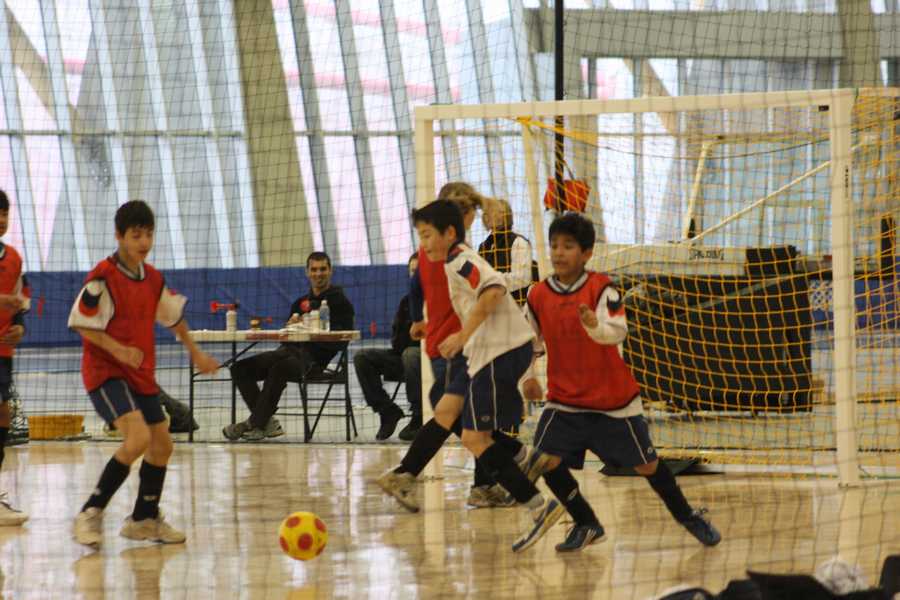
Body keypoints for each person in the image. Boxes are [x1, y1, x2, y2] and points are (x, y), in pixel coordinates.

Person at [518, 212, 721, 552]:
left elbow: (616, 333)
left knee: (648, 466)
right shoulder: (537, 295)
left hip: (612, 403)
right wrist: (527, 377)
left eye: (568, 246)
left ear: (587, 253)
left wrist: (592, 325)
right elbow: (528, 342)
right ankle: (586, 523)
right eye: (554, 245)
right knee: (545, 460)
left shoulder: (602, 288)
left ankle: (688, 517)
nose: (559, 252)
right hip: (564, 401)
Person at [376, 200, 555, 526]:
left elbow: (494, 290)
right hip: (483, 352)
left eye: (427, 235)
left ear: (449, 232)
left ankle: (537, 503)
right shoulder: (448, 261)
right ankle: (407, 475)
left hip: (503, 350)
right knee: (445, 412)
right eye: (420, 236)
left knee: (475, 437)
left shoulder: (461, 259)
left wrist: (461, 336)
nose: (423, 244)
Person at [69, 200, 219, 548]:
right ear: (119, 236)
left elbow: (174, 318)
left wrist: (196, 352)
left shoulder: (153, 279)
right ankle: (90, 513)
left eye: (149, 234)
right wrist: (119, 350)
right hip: (105, 372)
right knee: (137, 439)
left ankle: (143, 519)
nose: (144, 242)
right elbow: (81, 324)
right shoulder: (102, 278)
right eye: (136, 235)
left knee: (162, 445)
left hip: (141, 375)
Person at [223, 251, 354, 441]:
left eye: (323, 269)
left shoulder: (340, 302)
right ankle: (267, 423)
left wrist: (313, 331)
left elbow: (344, 339)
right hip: (286, 352)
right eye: (314, 269)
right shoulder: (299, 303)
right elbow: (286, 337)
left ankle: (255, 423)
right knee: (239, 368)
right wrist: (291, 326)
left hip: (314, 362)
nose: (318, 274)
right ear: (307, 272)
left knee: (280, 368)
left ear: (330, 271)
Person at [352, 253, 422, 441]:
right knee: (362, 357)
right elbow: (397, 341)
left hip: (434, 361)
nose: (416, 276)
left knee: (411, 353)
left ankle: (419, 416)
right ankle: (387, 411)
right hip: (405, 358)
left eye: (420, 271)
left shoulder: (443, 298)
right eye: (413, 271)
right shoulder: (406, 302)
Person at [0, 189, 31, 526]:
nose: (1, 219)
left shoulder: (14, 259)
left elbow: (21, 300)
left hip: (3, 350)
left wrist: (20, 326)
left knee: (4, 414)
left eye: (4, 212)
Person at [478, 197, 538, 306]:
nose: (486, 214)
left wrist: (493, 283)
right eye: (486, 211)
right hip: (490, 307)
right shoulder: (483, 247)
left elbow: (522, 278)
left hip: (516, 307)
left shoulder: (518, 242)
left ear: (504, 214)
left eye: (492, 210)